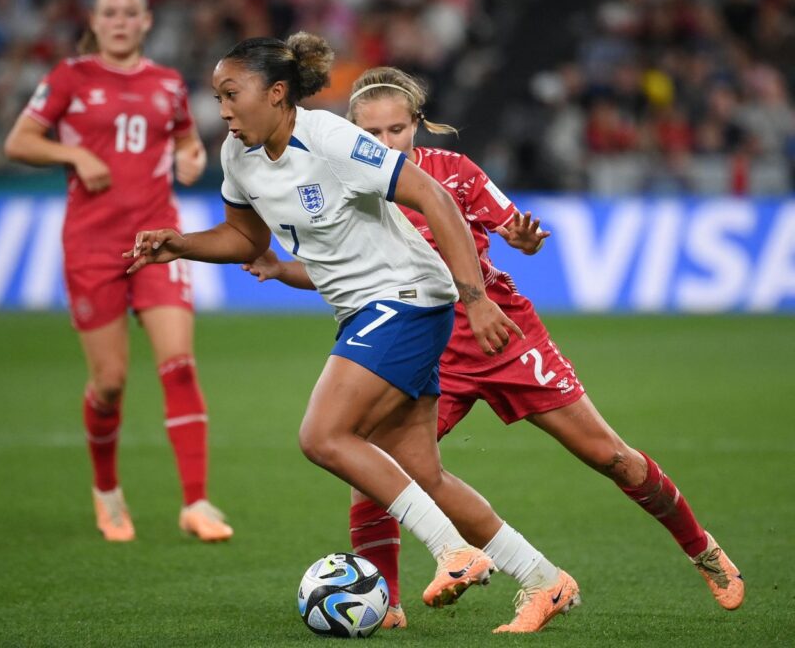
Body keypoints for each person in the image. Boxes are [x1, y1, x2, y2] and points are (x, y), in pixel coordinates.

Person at [243, 66, 745, 627]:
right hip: (427, 349)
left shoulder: (451, 173)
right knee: (376, 470)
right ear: (351, 129)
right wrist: (283, 270)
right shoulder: (343, 179)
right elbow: (346, 271)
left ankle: (704, 550)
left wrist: (523, 240)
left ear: (417, 126)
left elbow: (512, 229)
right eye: (374, 132)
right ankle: (386, 603)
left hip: (500, 334)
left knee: (609, 456)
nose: (386, 142)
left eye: (397, 129)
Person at [127, 33, 580, 634]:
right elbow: (245, 240)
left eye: (232, 94)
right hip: (367, 310)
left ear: (278, 92)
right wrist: (178, 243)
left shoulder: (331, 138)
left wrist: (475, 302)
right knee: (423, 471)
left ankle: (454, 554)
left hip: (408, 298)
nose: (223, 109)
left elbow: (436, 199)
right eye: (218, 96)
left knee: (323, 435)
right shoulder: (238, 157)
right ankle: (546, 580)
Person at [4, 0, 232, 543]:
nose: (121, 21)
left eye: (130, 12)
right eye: (110, 13)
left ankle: (197, 503)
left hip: (159, 241)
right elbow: (19, 141)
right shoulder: (70, 78)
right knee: (109, 383)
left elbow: (184, 141)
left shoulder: (168, 84)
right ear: (95, 22)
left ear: (146, 21)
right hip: (92, 246)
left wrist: (191, 155)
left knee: (179, 363)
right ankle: (107, 492)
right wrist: (74, 153)